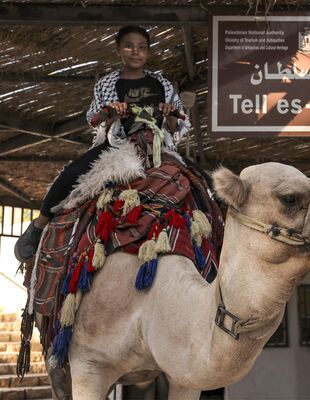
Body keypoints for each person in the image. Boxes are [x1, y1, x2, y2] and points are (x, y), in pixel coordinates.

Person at [14, 25, 190, 263]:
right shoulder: (107, 84)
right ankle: (38, 226)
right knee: (71, 174)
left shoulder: (162, 84)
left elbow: (176, 125)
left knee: (202, 181)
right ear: (119, 49)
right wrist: (113, 113)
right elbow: (95, 119)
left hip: (158, 148)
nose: (135, 52)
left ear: (148, 53)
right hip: (119, 146)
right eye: (129, 46)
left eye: (141, 48)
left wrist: (170, 113)